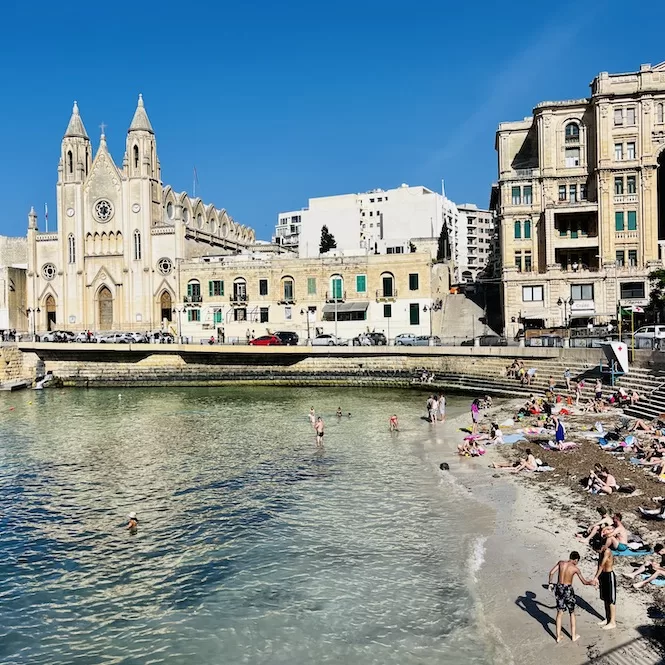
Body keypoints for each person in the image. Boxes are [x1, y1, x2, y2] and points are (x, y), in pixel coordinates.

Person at [548, 551, 597, 642]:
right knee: (571, 612)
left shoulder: (561, 563)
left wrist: (550, 583)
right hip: (568, 589)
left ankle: (558, 636)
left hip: (559, 588)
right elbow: (584, 582)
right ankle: (573, 636)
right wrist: (591, 582)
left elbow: (551, 573)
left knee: (560, 612)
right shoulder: (575, 569)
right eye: (577, 561)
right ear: (576, 560)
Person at [593, 545, 617, 630]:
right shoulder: (601, 552)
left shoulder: (607, 551)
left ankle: (613, 622)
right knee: (605, 599)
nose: (597, 552)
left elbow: (602, 565)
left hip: (609, 575)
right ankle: (608, 618)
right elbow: (599, 565)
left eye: (598, 550)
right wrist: (598, 578)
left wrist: (595, 577)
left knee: (611, 600)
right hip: (603, 575)